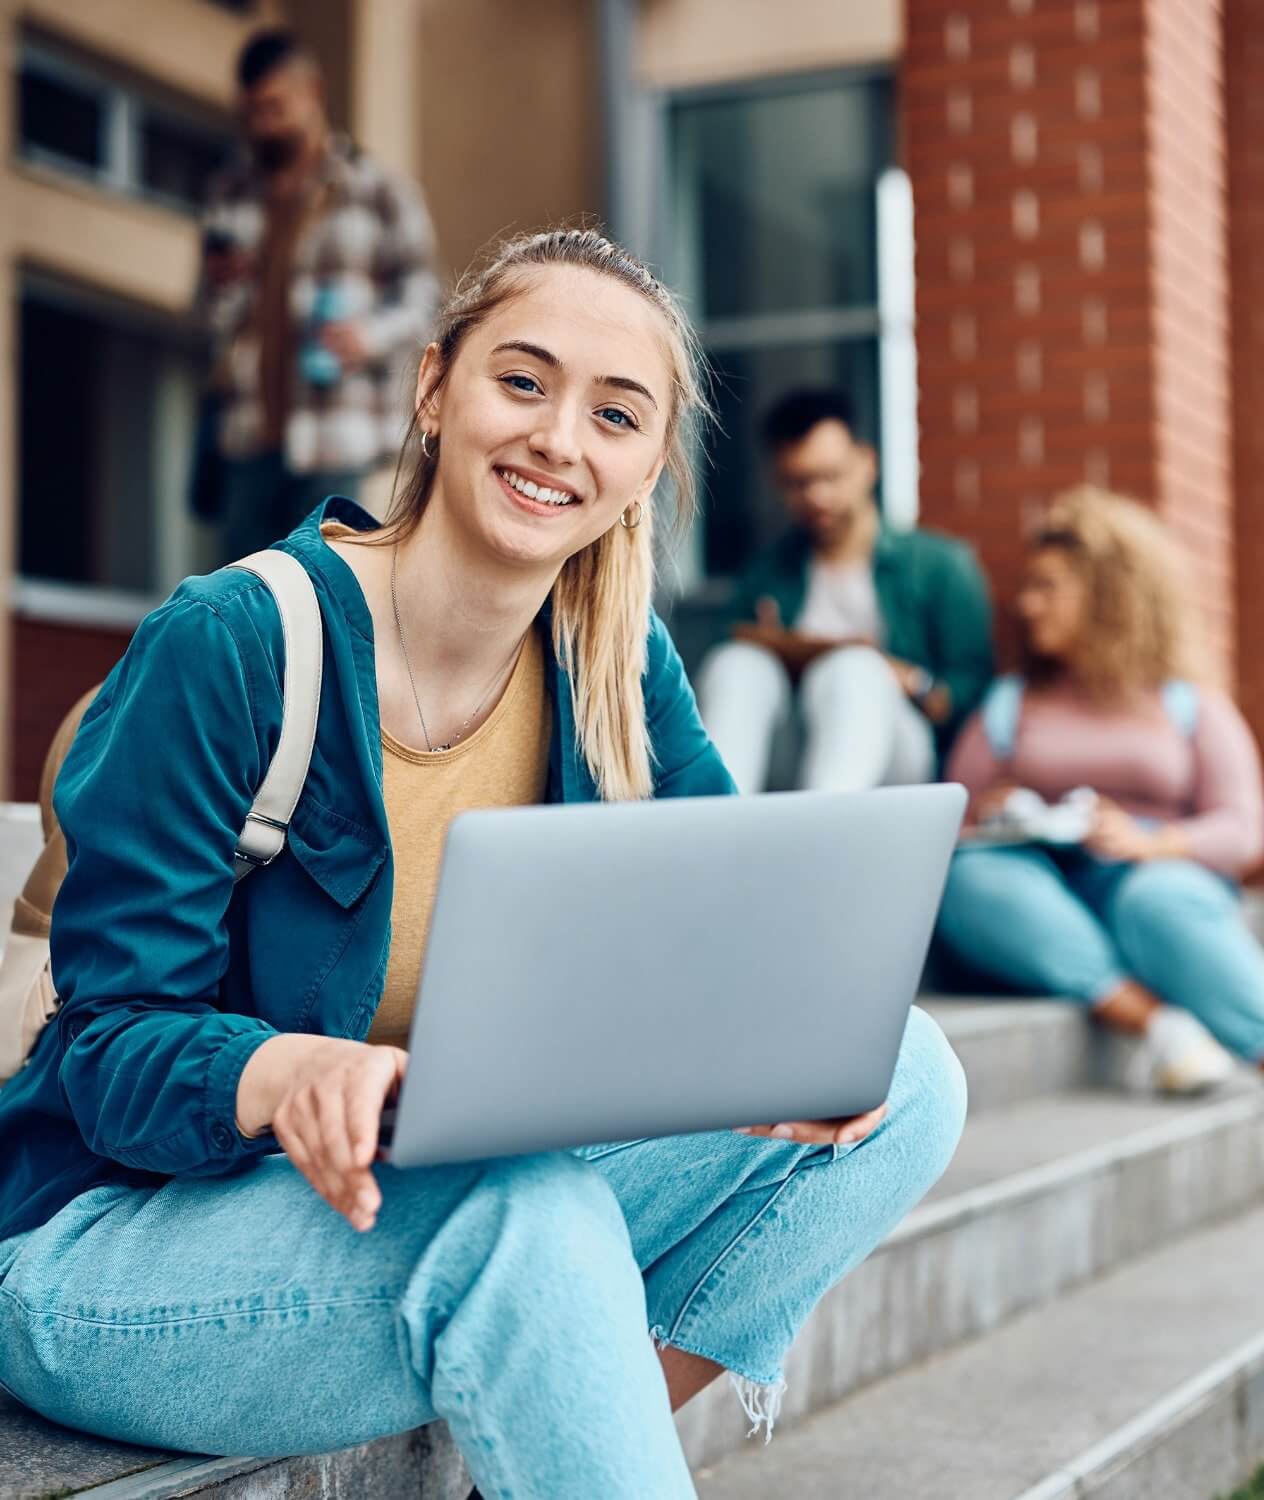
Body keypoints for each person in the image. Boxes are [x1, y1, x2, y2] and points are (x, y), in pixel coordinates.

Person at [0, 230, 966, 1500]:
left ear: (647, 470)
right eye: (522, 381)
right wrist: (286, 1071)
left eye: (613, 414)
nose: (559, 439)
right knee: (527, 1219)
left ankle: (551, 1442)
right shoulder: (233, 640)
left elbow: (737, 943)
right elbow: (106, 1047)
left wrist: (791, 1039)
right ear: (433, 389)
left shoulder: (614, 664)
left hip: (409, 1203)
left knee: (907, 1077)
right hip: (110, 1240)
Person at [936, 486, 1264, 1094]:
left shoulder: (1187, 703)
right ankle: (1157, 1022)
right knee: (971, 882)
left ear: (1110, 594)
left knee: (1157, 900)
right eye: (1027, 587)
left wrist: (1152, 844)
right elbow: (946, 823)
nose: (1027, 605)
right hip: (1039, 878)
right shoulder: (1009, 704)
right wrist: (993, 811)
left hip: (1153, 874)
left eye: (1048, 587)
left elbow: (1243, 830)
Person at [198, 28, 438, 561]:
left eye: (274, 108)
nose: (262, 125)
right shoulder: (229, 195)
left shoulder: (379, 189)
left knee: (324, 586)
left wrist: (367, 336)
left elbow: (425, 297)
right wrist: (218, 286)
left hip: (337, 437)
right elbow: (204, 317)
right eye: (252, 112)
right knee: (243, 590)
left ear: (313, 92)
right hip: (247, 438)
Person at [695, 388, 994, 795]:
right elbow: (727, 664)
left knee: (853, 670)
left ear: (867, 464)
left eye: (831, 476)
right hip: (796, 740)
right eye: (798, 483)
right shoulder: (768, 572)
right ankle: (721, 816)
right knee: (737, 662)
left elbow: (971, 695)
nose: (816, 496)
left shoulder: (939, 565)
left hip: (896, 747)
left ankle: (826, 827)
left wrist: (909, 679)